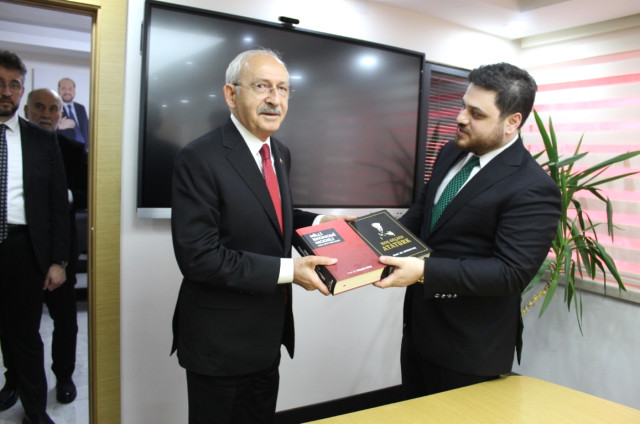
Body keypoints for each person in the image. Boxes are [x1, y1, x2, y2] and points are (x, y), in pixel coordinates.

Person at [170, 48, 353, 424]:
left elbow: (275, 216)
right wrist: (290, 271)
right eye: (261, 86)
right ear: (231, 94)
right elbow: (199, 257)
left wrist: (323, 222)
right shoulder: (199, 158)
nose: (275, 99)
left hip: (267, 337)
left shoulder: (280, 152)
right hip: (220, 344)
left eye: (283, 88)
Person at [374, 62, 562, 398]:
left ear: (512, 122)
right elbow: (424, 211)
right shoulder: (451, 152)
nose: (460, 118)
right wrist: (378, 240)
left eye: (476, 113)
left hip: (470, 349)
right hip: (419, 332)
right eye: (463, 106)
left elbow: (510, 273)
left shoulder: (533, 187)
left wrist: (424, 271)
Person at [0, 50, 70, 424]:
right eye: (0, 83)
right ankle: (10, 381)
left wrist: (58, 261)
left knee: (26, 333)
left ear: (21, 90)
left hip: (21, 248)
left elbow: (58, 205)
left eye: (14, 84)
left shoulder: (42, 141)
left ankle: (35, 409)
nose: (6, 91)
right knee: (4, 330)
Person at [13, 88, 86, 404]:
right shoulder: (11, 146)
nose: (46, 114)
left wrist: (61, 193)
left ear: (61, 114)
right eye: (39, 108)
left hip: (61, 249)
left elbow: (86, 193)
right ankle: (14, 380)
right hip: (21, 250)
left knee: (65, 321)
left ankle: (64, 376)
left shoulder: (73, 149)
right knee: (17, 324)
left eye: (53, 109)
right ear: (27, 111)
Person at [57, 77, 89, 149]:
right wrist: (59, 127)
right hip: (65, 152)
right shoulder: (53, 108)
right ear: (59, 90)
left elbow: (87, 130)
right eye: (63, 88)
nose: (67, 92)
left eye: (70, 89)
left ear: (74, 91)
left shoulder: (81, 108)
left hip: (83, 151)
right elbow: (45, 131)